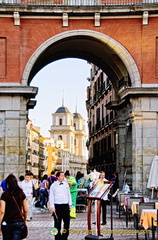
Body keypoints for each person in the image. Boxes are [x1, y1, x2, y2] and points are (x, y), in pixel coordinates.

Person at [0, 174, 28, 240]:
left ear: (8, 184)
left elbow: (2, 211)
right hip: (18, 222)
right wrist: (24, 220)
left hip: (7, 222)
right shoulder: (21, 194)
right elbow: (25, 210)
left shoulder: (5, 195)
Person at [49, 171, 72, 240]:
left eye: (63, 175)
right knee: (57, 223)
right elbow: (51, 196)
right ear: (58, 177)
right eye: (61, 176)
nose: (63, 177)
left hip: (65, 205)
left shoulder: (66, 184)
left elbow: (68, 194)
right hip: (57, 205)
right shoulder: (53, 185)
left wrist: (70, 204)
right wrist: (52, 206)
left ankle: (64, 237)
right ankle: (57, 237)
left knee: (67, 223)